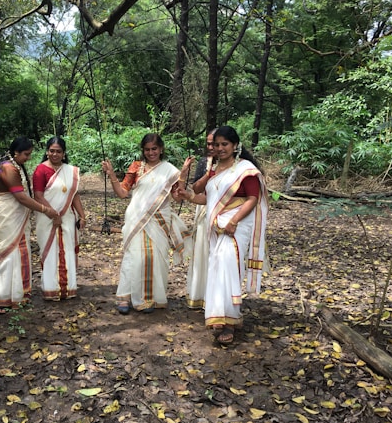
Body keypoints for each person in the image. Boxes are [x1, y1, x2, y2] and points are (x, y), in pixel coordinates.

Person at [178, 125, 268, 344]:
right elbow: (206, 198)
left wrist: (234, 221)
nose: (220, 148)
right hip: (217, 228)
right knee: (217, 269)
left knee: (229, 269)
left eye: (225, 144)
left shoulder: (245, 170)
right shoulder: (214, 170)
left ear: (235, 145)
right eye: (216, 145)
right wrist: (188, 196)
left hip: (236, 228)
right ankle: (219, 313)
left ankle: (230, 321)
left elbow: (252, 199)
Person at [101, 133, 192, 314]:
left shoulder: (169, 170)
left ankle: (151, 298)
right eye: (147, 149)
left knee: (154, 257)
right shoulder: (136, 167)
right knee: (133, 256)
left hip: (159, 219)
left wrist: (182, 175)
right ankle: (125, 297)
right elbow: (122, 193)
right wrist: (111, 174)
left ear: (161, 149)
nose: (151, 153)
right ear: (143, 150)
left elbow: (177, 197)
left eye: (154, 149)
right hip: (136, 217)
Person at [0, 137, 60, 312]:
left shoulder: (13, 165)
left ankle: (16, 295)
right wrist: (45, 209)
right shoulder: (8, 168)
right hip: (6, 215)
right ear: (16, 152)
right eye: (26, 154)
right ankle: (0, 297)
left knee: (17, 252)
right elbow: (20, 197)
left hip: (12, 216)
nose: (28, 158)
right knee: (6, 254)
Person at [32, 136, 86, 301]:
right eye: (51, 151)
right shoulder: (40, 170)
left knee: (67, 249)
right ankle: (51, 288)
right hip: (47, 217)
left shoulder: (70, 171)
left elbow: (74, 195)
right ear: (47, 152)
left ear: (63, 153)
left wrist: (82, 215)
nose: (54, 154)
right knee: (50, 252)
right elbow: (38, 196)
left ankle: (68, 288)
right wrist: (53, 214)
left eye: (58, 151)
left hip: (67, 217)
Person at [178, 129, 219, 309]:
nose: (211, 147)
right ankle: (200, 295)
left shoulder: (238, 165)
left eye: (215, 144)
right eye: (208, 143)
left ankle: (219, 297)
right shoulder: (205, 162)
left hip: (226, 214)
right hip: (203, 209)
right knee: (202, 250)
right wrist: (209, 172)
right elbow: (196, 188)